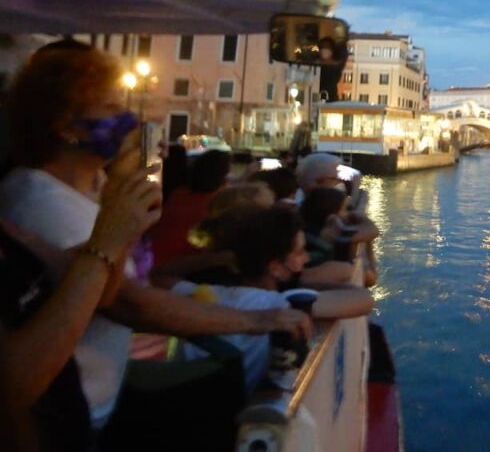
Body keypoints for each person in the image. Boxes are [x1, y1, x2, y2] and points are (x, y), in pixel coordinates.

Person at [0, 43, 311, 430]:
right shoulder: (39, 200)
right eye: (111, 108)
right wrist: (256, 320)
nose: (128, 118)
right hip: (72, 416)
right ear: (65, 126)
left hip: (99, 396)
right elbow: (123, 300)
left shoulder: (98, 187)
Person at [1, 157, 160, 451]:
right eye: (109, 108)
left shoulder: (10, 227)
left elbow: (104, 293)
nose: (123, 120)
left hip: (74, 420)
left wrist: (120, 224)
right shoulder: (34, 195)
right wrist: (107, 240)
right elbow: (13, 386)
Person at [164, 208, 373, 393]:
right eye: (299, 252)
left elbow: (159, 274)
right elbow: (363, 299)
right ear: (274, 268)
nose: (307, 259)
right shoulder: (275, 307)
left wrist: (221, 258)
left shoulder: (202, 294)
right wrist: (304, 281)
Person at [149, 149, 231, 266]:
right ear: (223, 178)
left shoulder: (178, 194)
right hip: (173, 266)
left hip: (151, 259)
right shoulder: (217, 205)